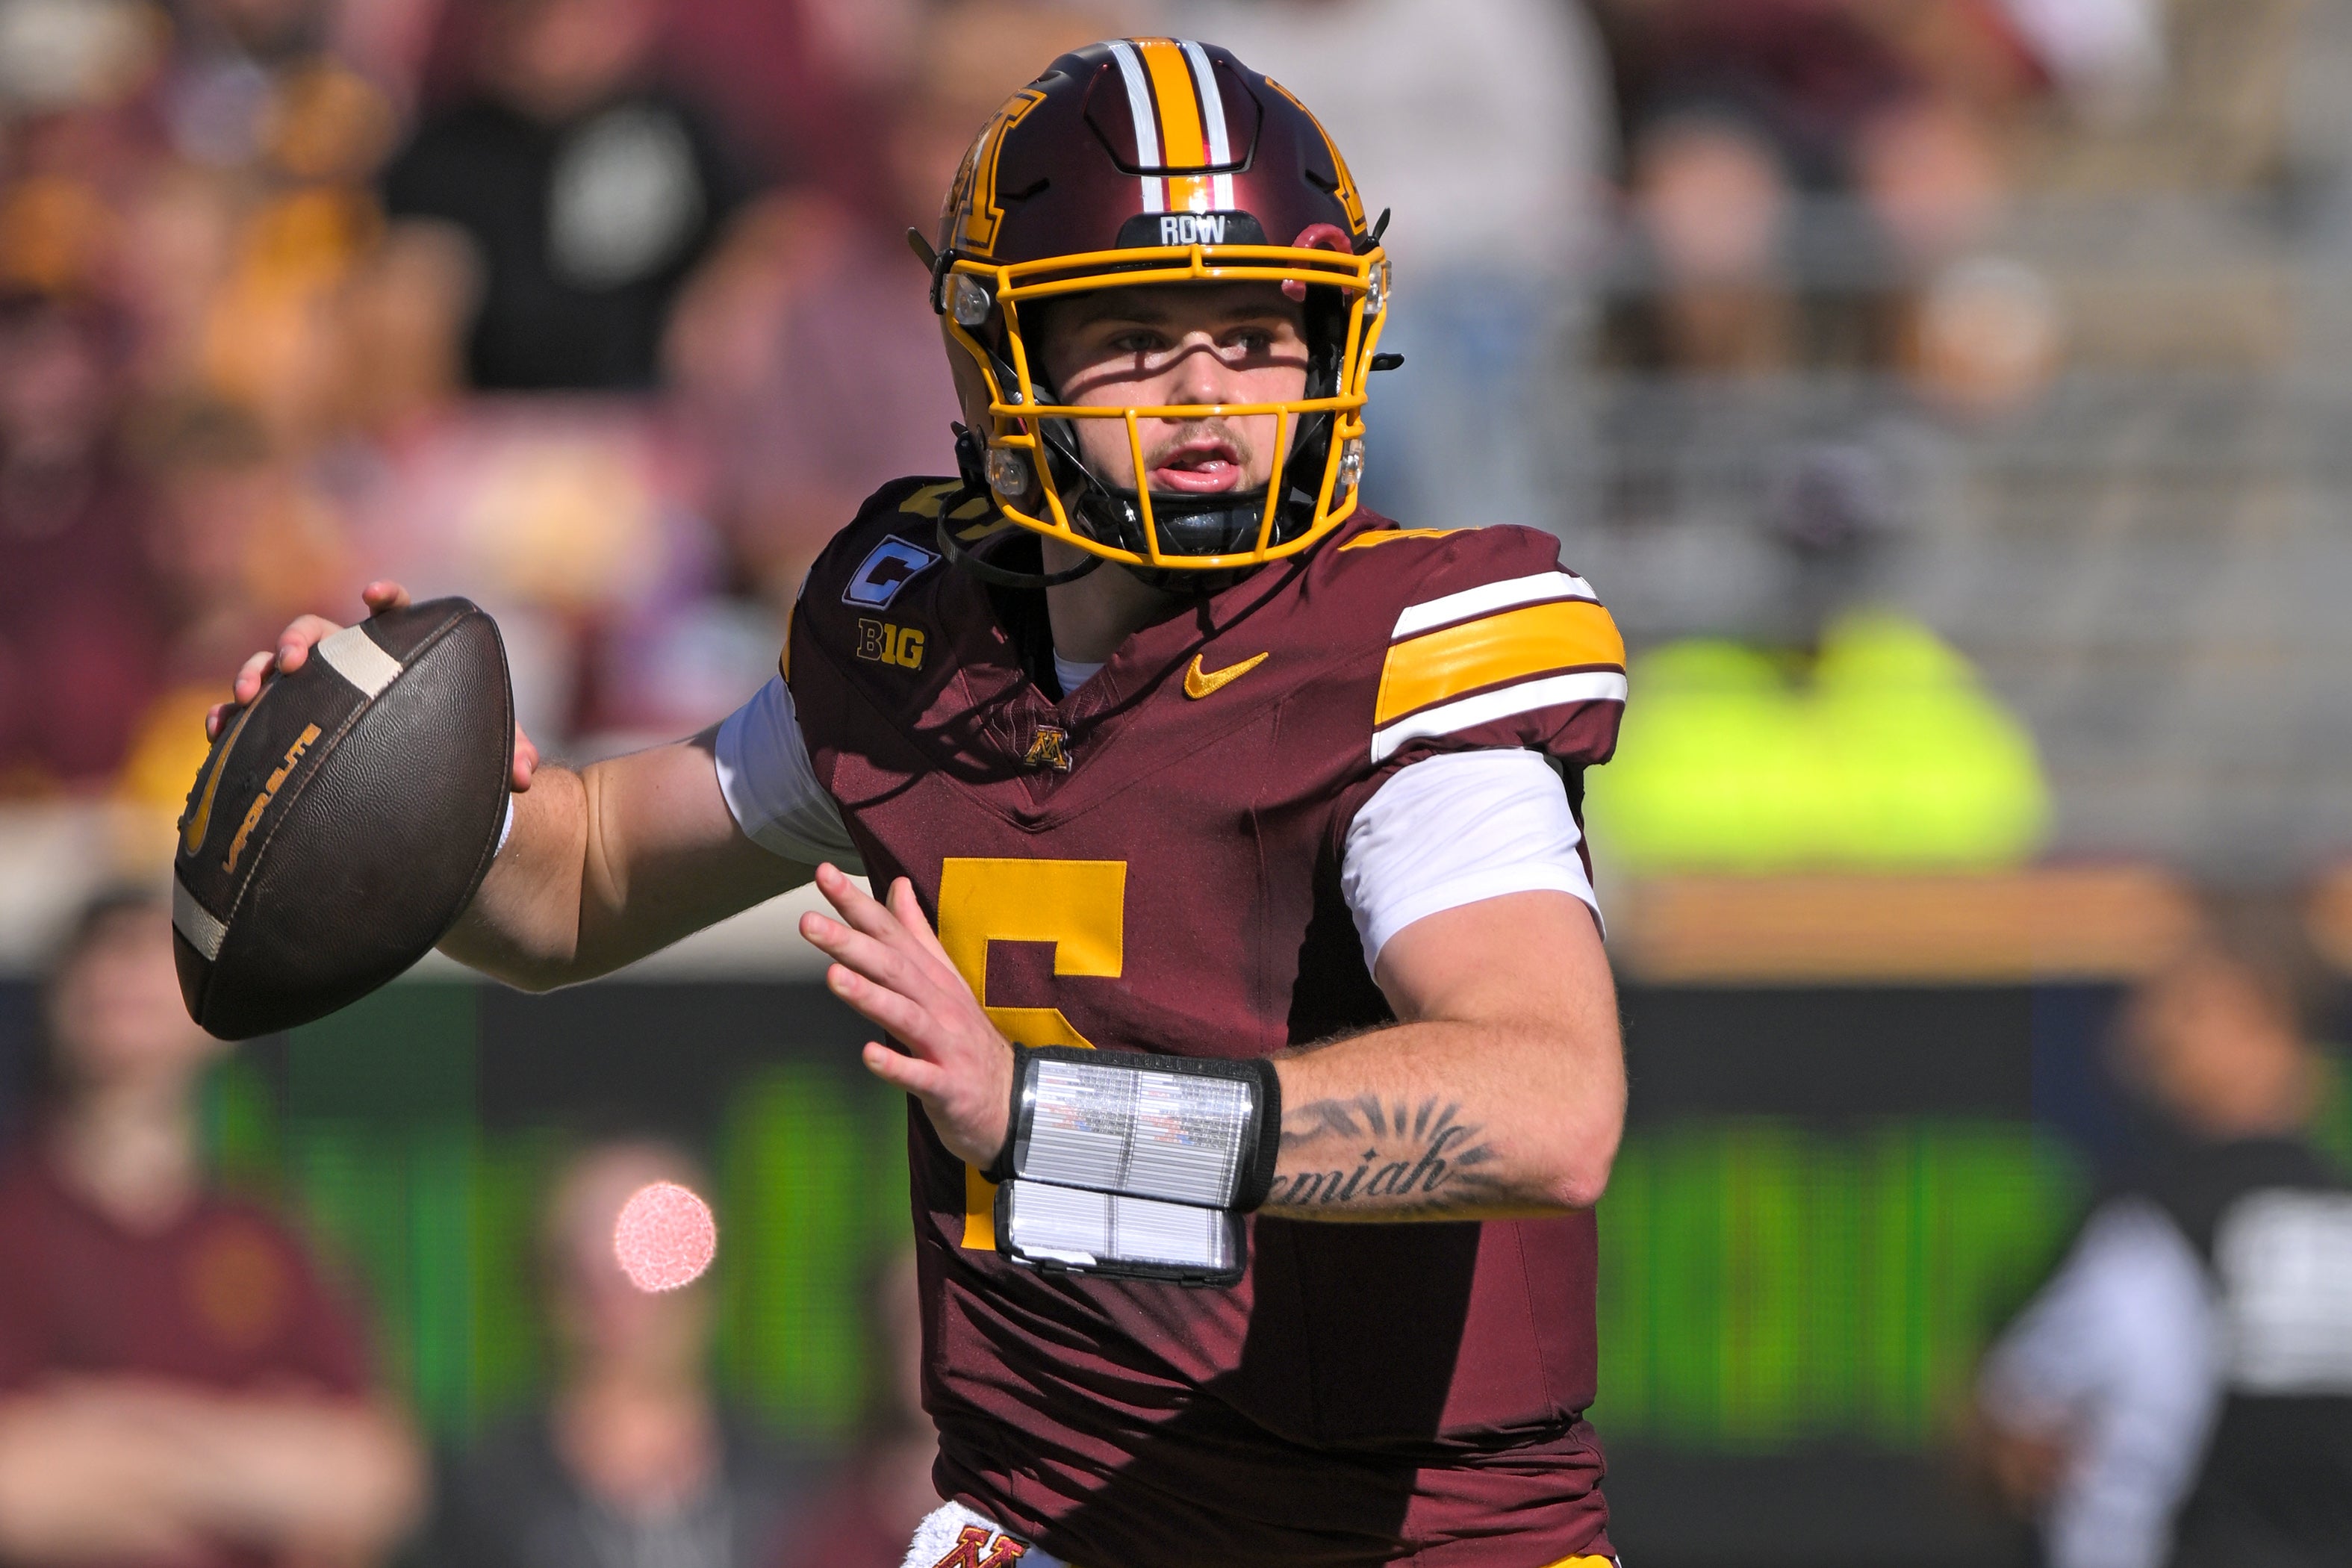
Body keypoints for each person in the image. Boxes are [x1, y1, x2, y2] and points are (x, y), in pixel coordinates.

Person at [214, 38, 1630, 1566]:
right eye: (1138, 336)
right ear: (996, 362)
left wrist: (1050, 1117)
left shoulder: (1403, 652)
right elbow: (577, 885)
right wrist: (394, 785)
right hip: (1052, 1522)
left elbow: (1549, 1110)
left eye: (1255, 328)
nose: (1211, 387)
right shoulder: (920, 638)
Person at [0, 889, 424, 1567]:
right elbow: (15, 1495)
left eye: (155, 955)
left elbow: (373, 1480)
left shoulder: (272, 1243)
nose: (125, 974)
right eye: (103, 951)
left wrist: (106, 1424)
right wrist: (253, 1456)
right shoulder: (15, 1230)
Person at [1969, 896, 2352, 1568]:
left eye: (2188, 1010)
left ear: (2271, 1027)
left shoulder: (2144, 1226)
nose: (2150, 1035)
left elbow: (2003, 1432)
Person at [428, 1138, 817, 1568]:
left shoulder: (799, 1490)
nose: (612, 1299)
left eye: (656, 1255)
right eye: (583, 1266)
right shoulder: (483, 1493)